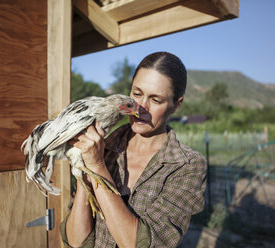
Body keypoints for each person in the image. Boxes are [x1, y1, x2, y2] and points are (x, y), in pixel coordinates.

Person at [60, 52, 207, 247]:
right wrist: (84, 169)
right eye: (137, 94)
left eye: (156, 100)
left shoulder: (186, 166)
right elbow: (76, 242)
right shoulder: (104, 146)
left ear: (176, 106)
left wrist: (96, 165)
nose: (141, 108)